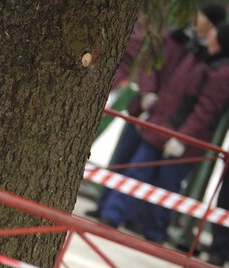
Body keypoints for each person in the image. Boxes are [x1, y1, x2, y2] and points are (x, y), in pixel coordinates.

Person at [98, 19, 229, 243]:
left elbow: (205, 111)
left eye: (216, 30)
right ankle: (111, 216)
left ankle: (154, 234)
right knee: (136, 172)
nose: (211, 32)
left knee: (167, 187)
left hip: (183, 140)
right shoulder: (196, 54)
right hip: (161, 127)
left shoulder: (221, 72)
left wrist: (181, 138)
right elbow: (173, 89)